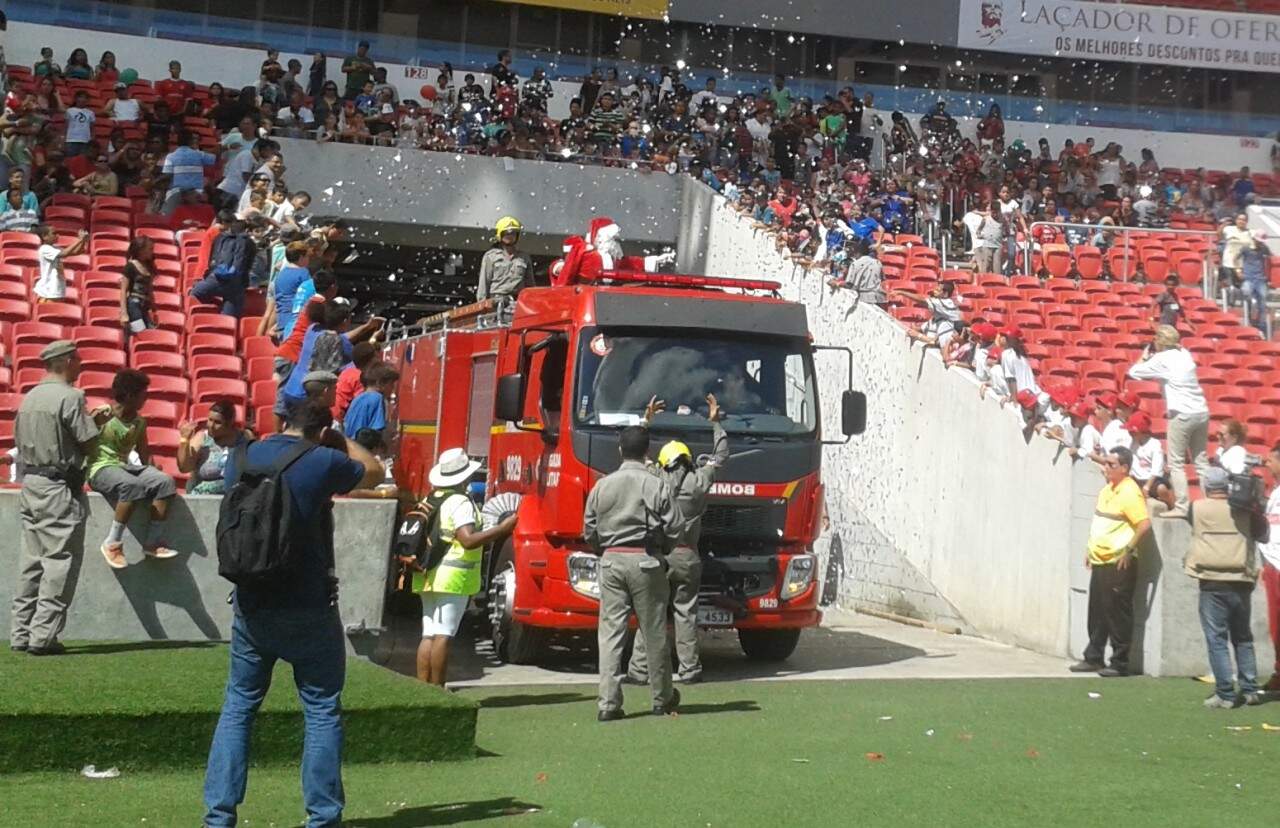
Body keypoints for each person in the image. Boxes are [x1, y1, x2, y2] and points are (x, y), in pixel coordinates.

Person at [202, 399, 384, 828]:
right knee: (321, 709)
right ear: (322, 431)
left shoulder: (243, 456)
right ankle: (322, 817)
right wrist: (341, 440)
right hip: (309, 606)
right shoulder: (323, 460)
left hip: (252, 603)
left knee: (238, 706)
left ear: (282, 421)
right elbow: (373, 471)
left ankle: (218, 816)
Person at [9, 341, 110, 655]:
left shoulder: (29, 397)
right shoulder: (71, 396)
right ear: (66, 361)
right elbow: (88, 443)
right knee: (59, 562)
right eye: (77, 359)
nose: (80, 364)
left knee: (31, 561)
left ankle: (20, 632)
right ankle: (43, 636)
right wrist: (96, 423)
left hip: (32, 483)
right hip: (59, 486)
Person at [583, 425, 684, 721]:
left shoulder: (603, 485)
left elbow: (589, 527)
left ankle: (608, 703)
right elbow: (676, 525)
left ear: (620, 450)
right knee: (654, 632)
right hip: (646, 559)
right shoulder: (656, 484)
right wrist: (663, 549)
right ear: (647, 451)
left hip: (611, 560)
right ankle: (662, 697)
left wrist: (603, 549)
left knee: (610, 634)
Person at [628, 394, 729, 686]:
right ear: (688, 461)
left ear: (664, 463)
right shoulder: (699, 481)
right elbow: (721, 456)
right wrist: (716, 423)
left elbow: (635, 454)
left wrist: (646, 421)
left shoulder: (654, 478)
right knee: (686, 614)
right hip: (687, 556)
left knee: (651, 614)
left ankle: (639, 670)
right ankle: (689, 669)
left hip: (658, 557)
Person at [406, 448, 516, 687]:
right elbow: (467, 539)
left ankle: (422, 688)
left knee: (428, 633)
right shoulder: (461, 502)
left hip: (426, 573)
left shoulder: (430, 498)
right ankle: (438, 689)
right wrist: (502, 529)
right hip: (452, 578)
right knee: (444, 634)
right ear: (465, 476)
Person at [1183, 467, 1268, 708]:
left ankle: (1225, 693)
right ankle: (1250, 689)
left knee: (1216, 639)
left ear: (1207, 486)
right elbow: (1263, 534)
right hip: (1241, 579)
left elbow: (1190, 520)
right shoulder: (1245, 510)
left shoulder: (1196, 507)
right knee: (1243, 637)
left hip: (1211, 579)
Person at [87, 370, 182, 568]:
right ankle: (112, 543)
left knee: (165, 482)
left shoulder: (139, 422)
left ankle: (153, 542)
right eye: (143, 395)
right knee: (131, 485)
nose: (146, 399)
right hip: (100, 468)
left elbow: (143, 453)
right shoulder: (103, 415)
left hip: (124, 467)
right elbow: (82, 439)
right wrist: (93, 423)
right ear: (130, 395)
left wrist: (153, 472)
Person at [1070, 447, 1150, 678]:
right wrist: (1090, 548)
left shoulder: (1130, 492)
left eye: (1111, 465)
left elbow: (1144, 524)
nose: (1105, 468)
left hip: (1118, 562)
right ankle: (1093, 656)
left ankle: (1119, 661)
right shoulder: (1106, 490)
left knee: (1117, 613)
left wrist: (1129, 550)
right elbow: (1099, 522)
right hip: (1100, 559)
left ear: (1124, 468)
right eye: (1105, 463)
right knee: (1097, 610)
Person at [1127, 325, 1210, 517]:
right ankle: (1211, 503)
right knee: (1201, 462)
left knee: (1176, 463)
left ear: (1159, 341)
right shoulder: (1184, 354)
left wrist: (1146, 355)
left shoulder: (1162, 358)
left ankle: (1181, 507)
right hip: (1201, 411)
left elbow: (1134, 372)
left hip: (1181, 414)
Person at [176, 401, 251, 495]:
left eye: (218, 422)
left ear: (230, 423)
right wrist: (184, 439)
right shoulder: (202, 438)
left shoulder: (244, 438)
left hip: (234, 496)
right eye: (210, 420)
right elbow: (184, 468)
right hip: (202, 497)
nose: (211, 426)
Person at [189, 217, 257, 317]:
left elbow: (212, 258)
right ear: (246, 230)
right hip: (236, 286)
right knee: (229, 320)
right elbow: (248, 265)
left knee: (194, 293)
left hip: (215, 279)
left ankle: (211, 313)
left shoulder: (220, 238)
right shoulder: (249, 243)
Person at [1259, 444, 1280, 692]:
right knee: (1275, 625)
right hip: (1272, 565)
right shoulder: (1274, 492)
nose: (1267, 464)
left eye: (1271, 460)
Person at [160, 130, 216, 215]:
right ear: (190, 141)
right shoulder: (199, 155)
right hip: (197, 194)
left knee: (168, 216)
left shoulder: (171, 157)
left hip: (176, 193)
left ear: (177, 141)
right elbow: (215, 159)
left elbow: (167, 176)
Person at [1126, 411, 1174, 510]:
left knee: (1161, 489)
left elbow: (1156, 469)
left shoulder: (1154, 444)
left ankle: (1172, 507)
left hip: (1151, 480)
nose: (1130, 434)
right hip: (1137, 479)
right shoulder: (1132, 444)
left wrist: (1147, 486)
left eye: (1133, 432)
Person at [476, 216, 531, 303]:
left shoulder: (524, 257)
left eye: (513, 233)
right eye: (507, 233)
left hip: (517, 302)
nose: (510, 236)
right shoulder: (491, 256)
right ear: (500, 235)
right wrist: (482, 305)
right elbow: (484, 284)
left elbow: (530, 286)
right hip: (496, 301)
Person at [342, 362, 399, 437]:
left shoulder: (358, 398)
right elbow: (376, 431)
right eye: (391, 384)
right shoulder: (377, 399)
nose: (393, 388)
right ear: (380, 383)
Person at [120, 236, 157, 336]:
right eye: (150, 249)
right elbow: (123, 290)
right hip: (133, 305)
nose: (152, 252)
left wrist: (153, 307)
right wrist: (124, 313)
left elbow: (150, 289)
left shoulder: (148, 266)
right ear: (141, 250)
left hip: (145, 306)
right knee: (140, 332)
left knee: (150, 333)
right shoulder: (130, 266)